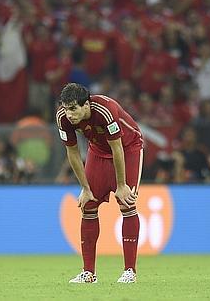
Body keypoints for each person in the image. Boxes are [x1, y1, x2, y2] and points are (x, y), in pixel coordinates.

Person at [56, 82, 143, 284]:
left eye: (73, 108)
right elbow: (73, 153)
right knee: (88, 205)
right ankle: (88, 273)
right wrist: (85, 188)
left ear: (86, 105)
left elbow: (118, 148)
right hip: (98, 150)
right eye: (66, 108)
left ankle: (130, 271)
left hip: (128, 148)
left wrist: (121, 186)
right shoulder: (63, 118)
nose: (69, 114)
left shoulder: (105, 109)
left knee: (127, 203)